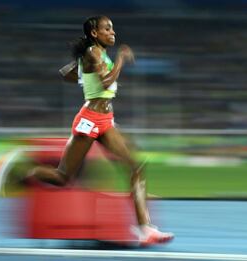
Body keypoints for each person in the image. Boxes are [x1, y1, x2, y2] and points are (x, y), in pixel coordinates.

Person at [25, 15, 174, 245]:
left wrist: (84, 75)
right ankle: (27, 175)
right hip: (90, 119)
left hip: (106, 120)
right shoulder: (94, 52)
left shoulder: (96, 53)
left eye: (112, 28)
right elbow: (104, 83)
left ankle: (145, 228)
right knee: (62, 177)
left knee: (136, 166)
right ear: (94, 33)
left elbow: (66, 73)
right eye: (107, 28)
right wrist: (122, 59)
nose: (112, 32)